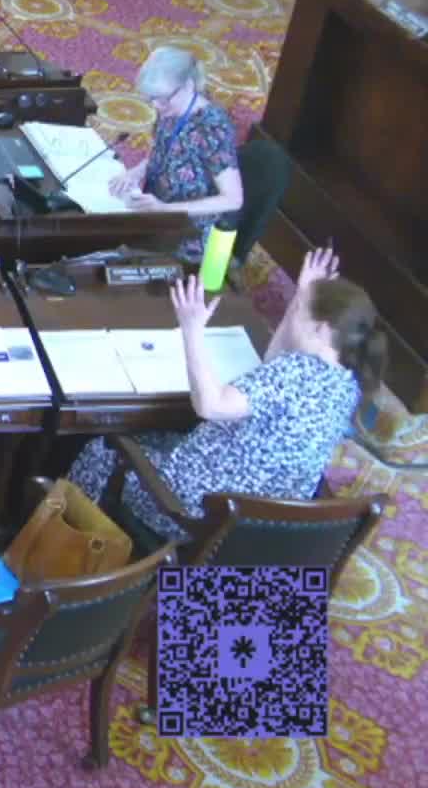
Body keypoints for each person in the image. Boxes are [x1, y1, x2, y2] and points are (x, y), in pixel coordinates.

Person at [66, 247, 381, 542]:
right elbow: (272, 363)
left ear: (322, 329)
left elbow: (209, 405)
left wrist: (191, 329)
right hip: (252, 526)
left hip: (193, 509)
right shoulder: (348, 384)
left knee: (101, 451)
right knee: (158, 437)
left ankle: (74, 547)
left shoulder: (294, 371)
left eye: (299, 309)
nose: (294, 309)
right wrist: (304, 293)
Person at [107, 46, 243, 261]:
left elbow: (233, 200)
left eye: (162, 98)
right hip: (154, 214)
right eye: (151, 98)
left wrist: (166, 209)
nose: (156, 106)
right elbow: (164, 151)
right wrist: (137, 171)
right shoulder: (170, 109)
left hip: (188, 236)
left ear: (188, 85)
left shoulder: (212, 129)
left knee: (110, 257)